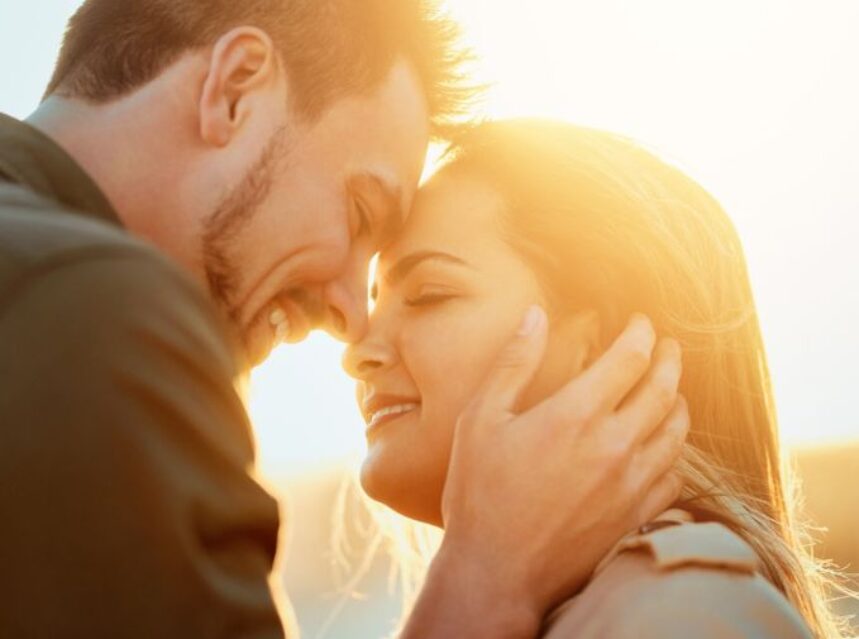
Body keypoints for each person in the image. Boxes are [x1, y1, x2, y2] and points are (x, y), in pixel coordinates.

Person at [0, 3, 689, 638]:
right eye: (360, 213)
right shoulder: (94, 314)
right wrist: (484, 582)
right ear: (235, 88)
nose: (350, 318)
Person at [344, 119, 849, 638]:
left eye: (429, 294)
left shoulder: (680, 616)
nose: (357, 351)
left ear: (603, 351)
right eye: (374, 302)